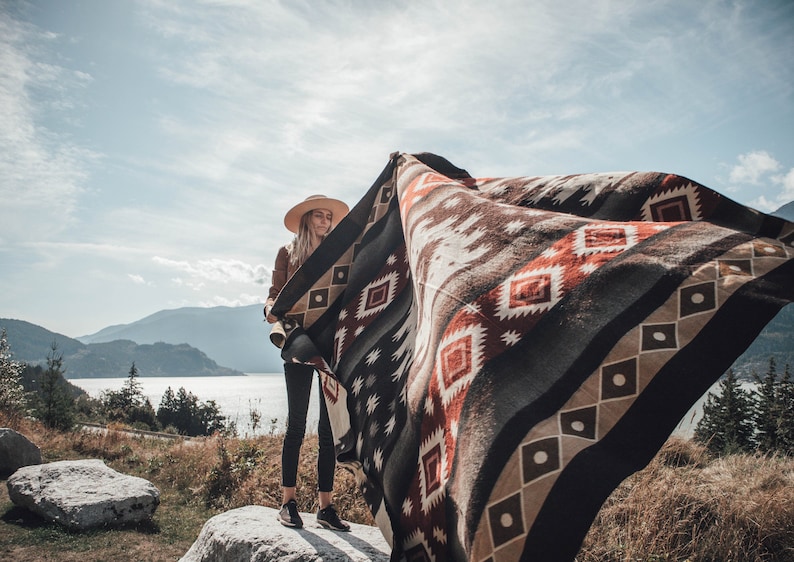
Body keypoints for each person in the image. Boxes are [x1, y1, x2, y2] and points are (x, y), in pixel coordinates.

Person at [264, 194, 351, 531]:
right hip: (297, 340)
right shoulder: (288, 253)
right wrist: (268, 308)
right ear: (306, 220)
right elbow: (274, 292)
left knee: (328, 431)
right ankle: (287, 502)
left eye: (328, 217)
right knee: (297, 425)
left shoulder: (337, 256)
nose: (325, 221)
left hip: (329, 343)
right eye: (319, 215)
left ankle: (325, 507)